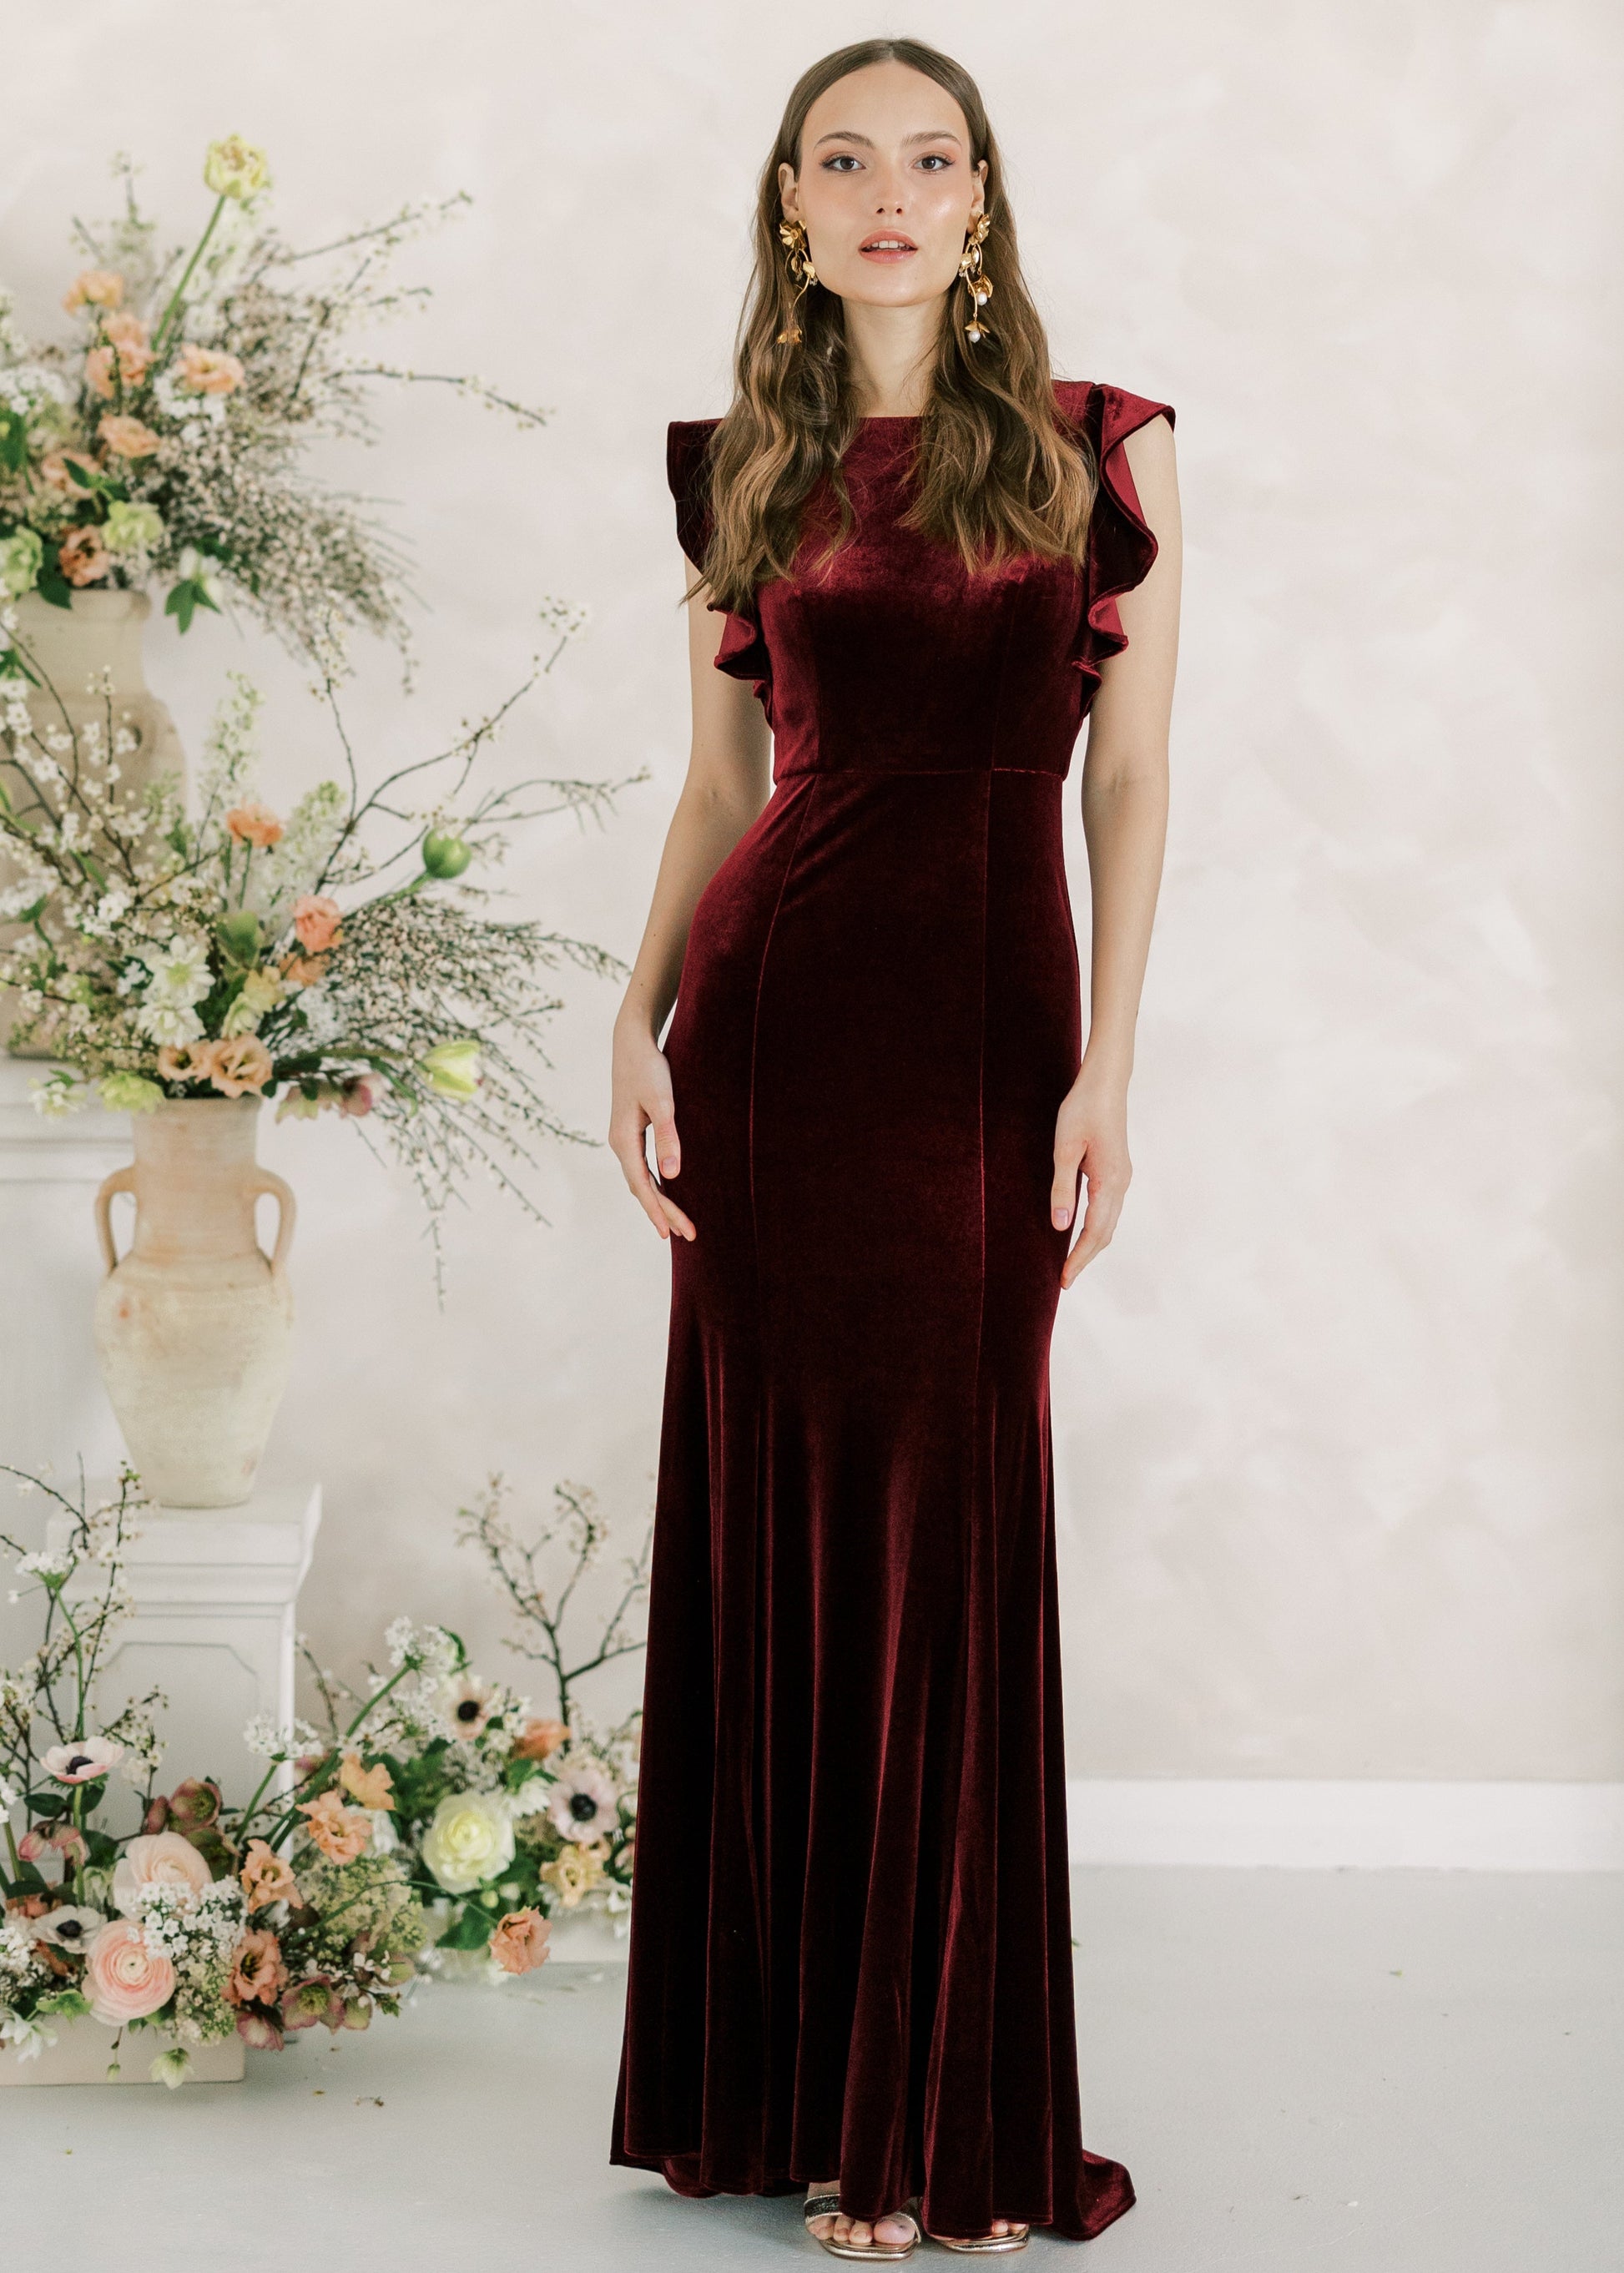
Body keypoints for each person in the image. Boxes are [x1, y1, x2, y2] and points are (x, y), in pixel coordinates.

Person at [607, 34, 1179, 2260]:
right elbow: (713, 786)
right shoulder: (736, 468)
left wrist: (1105, 1068)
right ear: (785, 207)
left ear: (979, 205)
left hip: (986, 1031)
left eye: (927, 162)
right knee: (782, 1528)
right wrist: (627, 1021)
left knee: (953, 1510)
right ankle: (810, 2108)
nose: (884, 194)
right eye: (839, 161)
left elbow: (1127, 781)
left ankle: (940, 2114)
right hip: (764, 1034)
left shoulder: (1087, 454)